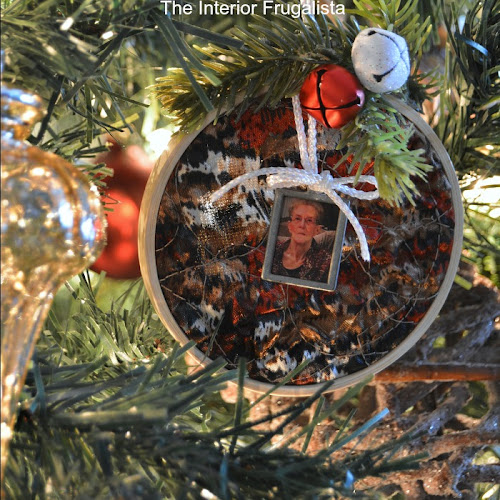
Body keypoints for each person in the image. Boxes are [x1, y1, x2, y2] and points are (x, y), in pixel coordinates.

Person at [271, 198, 332, 282]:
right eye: (297, 219)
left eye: (309, 220)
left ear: (317, 230)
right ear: (290, 226)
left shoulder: (326, 262)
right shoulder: (273, 251)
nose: (302, 225)